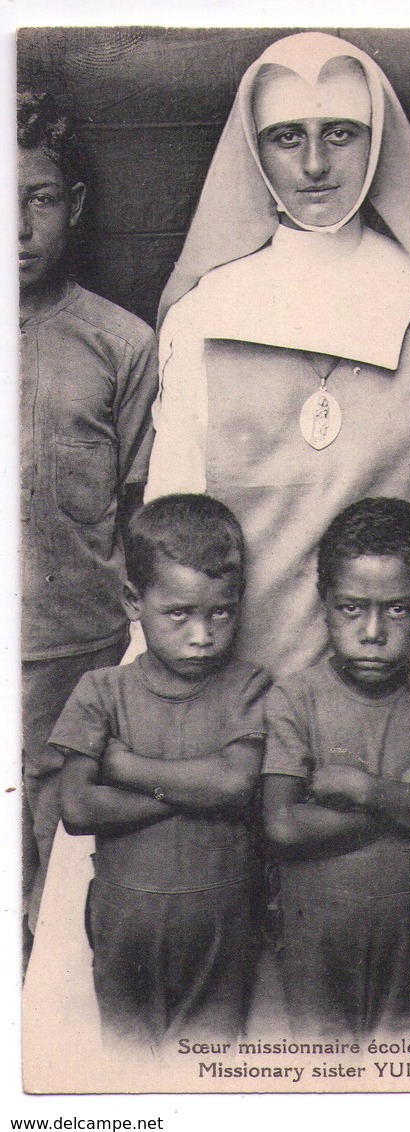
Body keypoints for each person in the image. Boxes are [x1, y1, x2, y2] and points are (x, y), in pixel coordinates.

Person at [145, 30, 410, 746]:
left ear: (378, 142)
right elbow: (170, 512)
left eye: (340, 133)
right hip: (227, 675)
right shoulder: (202, 312)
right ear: (253, 149)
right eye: (285, 137)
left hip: (390, 676)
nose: (313, 164)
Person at [49, 495, 269, 1047]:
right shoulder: (103, 690)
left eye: (221, 611)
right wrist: (191, 791)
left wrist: (126, 767)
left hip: (222, 927)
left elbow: (237, 782)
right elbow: (76, 809)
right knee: (129, 1068)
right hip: (125, 926)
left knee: (210, 1077)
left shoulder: (249, 687)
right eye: (179, 614)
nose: (202, 634)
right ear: (133, 600)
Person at [18, 90, 159, 942]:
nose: (18, 225)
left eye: (36, 198)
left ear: (70, 206)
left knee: (60, 859)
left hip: (77, 650)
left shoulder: (121, 344)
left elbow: (142, 507)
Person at [262, 498, 410, 1039]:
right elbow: (284, 825)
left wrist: (366, 791)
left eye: (398, 610)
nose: (373, 631)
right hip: (315, 947)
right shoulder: (298, 698)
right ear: (324, 605)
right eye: (351, 609)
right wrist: (406, 799)